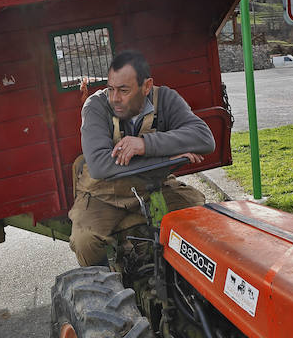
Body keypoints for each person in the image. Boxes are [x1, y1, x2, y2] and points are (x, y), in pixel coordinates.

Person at [69, 50, 214, 267]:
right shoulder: (95, 106)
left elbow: (204, 139)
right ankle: (103, 283)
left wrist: (145, 145)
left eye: (124, 90)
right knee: (85, 241)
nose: (115, 98)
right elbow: (100, 166)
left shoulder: (165, 98)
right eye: (111, 89)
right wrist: (167, 157)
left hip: (153, 186)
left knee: (202, 219)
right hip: (103, 194)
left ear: (146, 86)